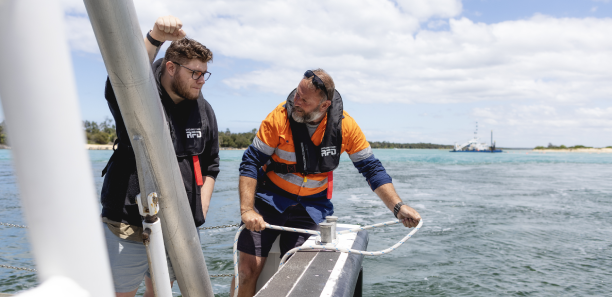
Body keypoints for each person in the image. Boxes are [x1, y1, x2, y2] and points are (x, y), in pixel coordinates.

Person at [233, 69, 422, 296]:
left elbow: (372, 169)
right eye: (296, 94)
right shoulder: (278, 118)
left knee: (298, 277)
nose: (296, 101)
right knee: (246, 271)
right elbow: (250, 161)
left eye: (304, 99)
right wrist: (246, 209)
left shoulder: (346, 127)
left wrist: (398, 207)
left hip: (310, 209)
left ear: (324, 106)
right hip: (268, 202)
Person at [100, 16, 219, 297]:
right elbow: (123, 74)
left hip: (178, 225)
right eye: (195, 73)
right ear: (170, 67)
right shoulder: (135, 95)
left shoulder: (205, 110)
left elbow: (211, 165)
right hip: (127, 221)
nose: (202, 80)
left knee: (162, 292)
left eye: (205, 74)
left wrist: (200, 207)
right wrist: (154, 38)